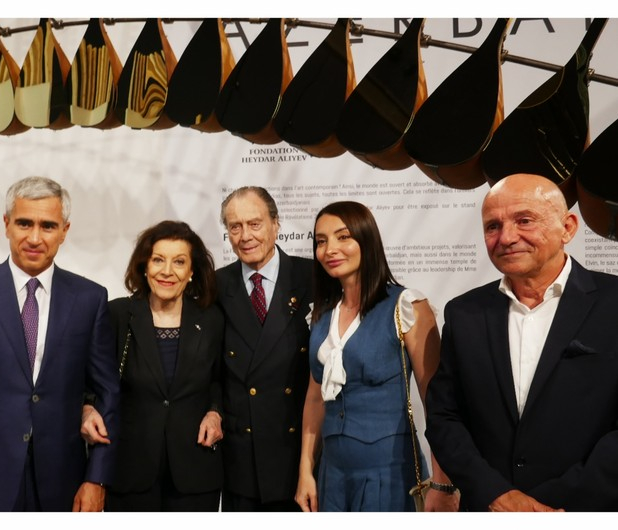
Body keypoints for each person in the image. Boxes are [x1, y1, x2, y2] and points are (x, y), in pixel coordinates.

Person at [0, 176, 119, 512]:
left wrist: (96, 479)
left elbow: (108, 394)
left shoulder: (90, 299)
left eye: (48, 226)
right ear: (6, 224)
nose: (34, 237)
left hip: (64, 480)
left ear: (64, 231)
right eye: (24, 223)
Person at [426, 173, 618, 511]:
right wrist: (496, 495)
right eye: (493, 226)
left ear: (568, 228)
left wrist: (547, 505)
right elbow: (445, 417)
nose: (507, 237)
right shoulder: (464, 313)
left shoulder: (612, 302)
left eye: (524, 220)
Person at [295, 201, 458, 512]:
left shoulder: (407, 306)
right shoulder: (320, 315)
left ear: (366, 239)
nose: (330, 249)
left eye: (343, 237)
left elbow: (436, 400)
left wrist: (443, 482)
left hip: (391, 473)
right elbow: (315, 398)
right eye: (321, 241)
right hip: (333, 475)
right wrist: (306, 471)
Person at [90, 220, 224, 511]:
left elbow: (220, 380)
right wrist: (87, 408)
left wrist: (215, 412)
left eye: (179, 262)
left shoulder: (211, 319)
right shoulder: (117, 314)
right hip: (130, 471)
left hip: (195, 472)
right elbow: (91, 380)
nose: (167, 271)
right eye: (158, 260)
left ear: (192, 271)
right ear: (144, 266)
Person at [216, 186, 312, 511]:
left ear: (275, 224)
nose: (245, 236)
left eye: (254, 224)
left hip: (302, 458)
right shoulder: (214, 286)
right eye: (235, 226)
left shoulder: (313, 277)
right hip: (242, 464)